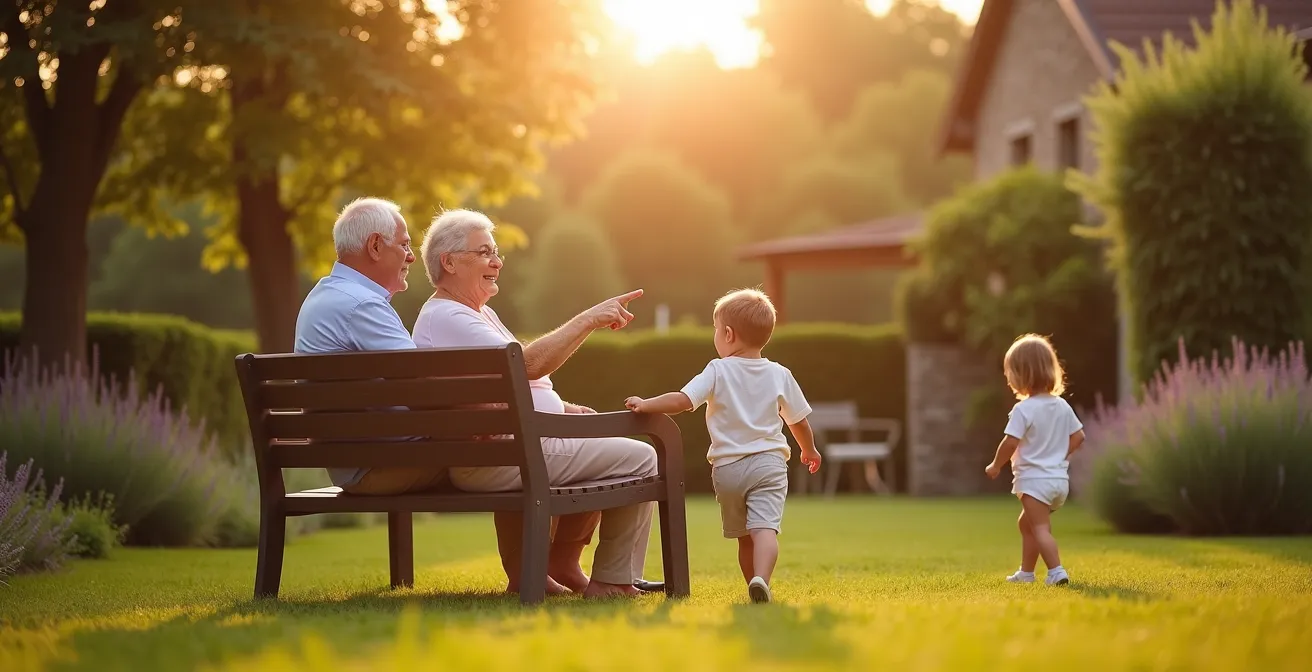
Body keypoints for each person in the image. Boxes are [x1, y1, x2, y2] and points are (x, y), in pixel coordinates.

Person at [411, 207, 660, 600]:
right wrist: (588, 319)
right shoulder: (448, 316)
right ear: (449, 262)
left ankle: (559, 567)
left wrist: (561, 409)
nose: (496, 261)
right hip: (507, 451)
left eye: (496, 252)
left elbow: (513, 379)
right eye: (483, 252)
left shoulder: (475, 313)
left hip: (514, 444)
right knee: (643, 458)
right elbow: (526, 365)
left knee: (601, 445)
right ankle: (612, 581)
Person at [623, 288, 822, 604]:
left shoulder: (717, 369)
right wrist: (808, 450)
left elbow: (683, 400)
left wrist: (647, 404)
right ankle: (761, 580)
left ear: (728, 334)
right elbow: (797, 420)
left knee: (744, 537)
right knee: (765, 530)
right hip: (769, 463)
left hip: (728, 469)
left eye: (716, 330)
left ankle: (753, 586)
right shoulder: (779, 373)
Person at [293, 196, 430, 494]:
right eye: (405, 245)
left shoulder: (324, 296)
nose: (411, 257)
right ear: (376, 246)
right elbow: (423, 386)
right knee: (514, 457)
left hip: (356, 462)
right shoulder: (362, 305)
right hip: (383, 466)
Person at [984, 333, 1085, 586]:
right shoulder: (1061, 406)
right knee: (1027, 524)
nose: (1008, 379)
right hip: (1058, 482)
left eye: (1009, 374)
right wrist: (1061, 457)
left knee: (1040, 528)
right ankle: (1026, 573)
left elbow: (1010, 442)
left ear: (1021, 374)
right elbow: (1079, 436)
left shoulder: (1023, 409)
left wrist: (996, 465)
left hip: (1034, 482)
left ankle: (1056, 571)